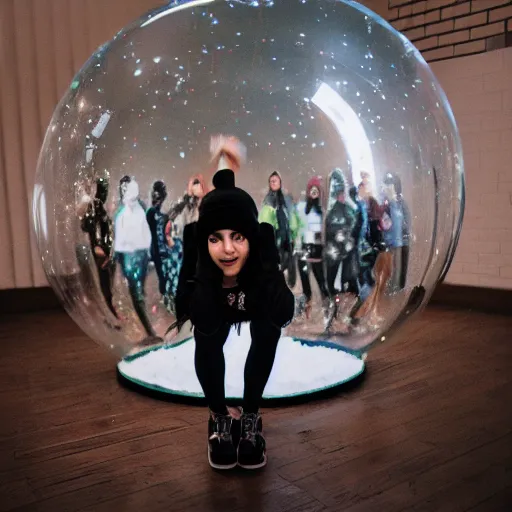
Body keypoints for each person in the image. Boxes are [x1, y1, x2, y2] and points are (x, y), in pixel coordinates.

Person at [171, 168, 295, 470]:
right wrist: (199, 290)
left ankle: (251, 416)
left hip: (253, 295)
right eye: (216, 238)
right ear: (204, 240)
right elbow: (187, 298)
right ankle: (218, 417)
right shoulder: (198, 255)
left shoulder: (262, 252)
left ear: (252, 237)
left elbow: (282, 308)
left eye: (238, 237)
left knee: (268, 329)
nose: (228, 249)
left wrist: (270, 280)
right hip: (212, 298)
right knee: (209, 335)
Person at [114, 177, 157, 339]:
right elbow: (118, 239)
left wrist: (151, 254)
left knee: (141, 292)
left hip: (142, 255)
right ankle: (149, 331)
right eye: (124, 189)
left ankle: (149, 326)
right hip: (129, 257)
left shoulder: (141, 208)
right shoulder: (121, 213)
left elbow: (148, 231)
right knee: (137, 295)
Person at [80, 177, 118, 320]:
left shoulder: (100, 206)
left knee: (108, 282)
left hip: (106, 249)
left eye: (106, 189)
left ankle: (111, 312)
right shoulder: (95, 206)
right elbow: (89, 226)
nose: (105, 192)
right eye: (103, 189)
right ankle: (109, 314)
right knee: (105, 283)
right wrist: (97, 246)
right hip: (101, 251)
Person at [146, 180, 183, 313]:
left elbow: (166, 221)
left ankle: (171, 302)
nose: (158, 199)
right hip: (157, 252)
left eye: (160, 195)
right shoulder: (152, 213)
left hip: (163, 252)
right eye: (156, 195)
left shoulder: (159, 215)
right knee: (163, 278)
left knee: (168, 277)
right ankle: (168, 302)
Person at [258, 171, 300, 288]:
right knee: (277, 268)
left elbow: (293, 218)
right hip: (276, 240)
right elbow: (264, 222)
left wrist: (294, 234)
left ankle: (288, 288)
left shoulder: (286, 199)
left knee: (289, 267)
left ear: (280, 182)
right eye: (272, 180)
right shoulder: (268, 201)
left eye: (276, 180)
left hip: (288, 239)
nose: (274, 182)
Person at [296, 176, 329, 318]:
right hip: (303, 248)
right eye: (312, 190)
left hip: (316, 250)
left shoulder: (321, 210)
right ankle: (305, 312)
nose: (314, 192)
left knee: (321, 279)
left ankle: (328, 308)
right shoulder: (301, 207)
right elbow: (297, 226)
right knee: (305, 283)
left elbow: (322, 232)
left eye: (316, 190)